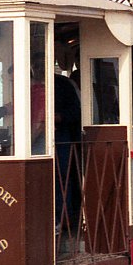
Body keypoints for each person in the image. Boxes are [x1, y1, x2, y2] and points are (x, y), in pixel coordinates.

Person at [53, 73, 82, 233]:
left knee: (62, 178)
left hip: (62, 139)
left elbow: (76, 112)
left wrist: (59, 117)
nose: (37, 68)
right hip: (40, 142)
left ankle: (64, 219)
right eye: (34, 65)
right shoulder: (30, 83)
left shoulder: (62, 84)